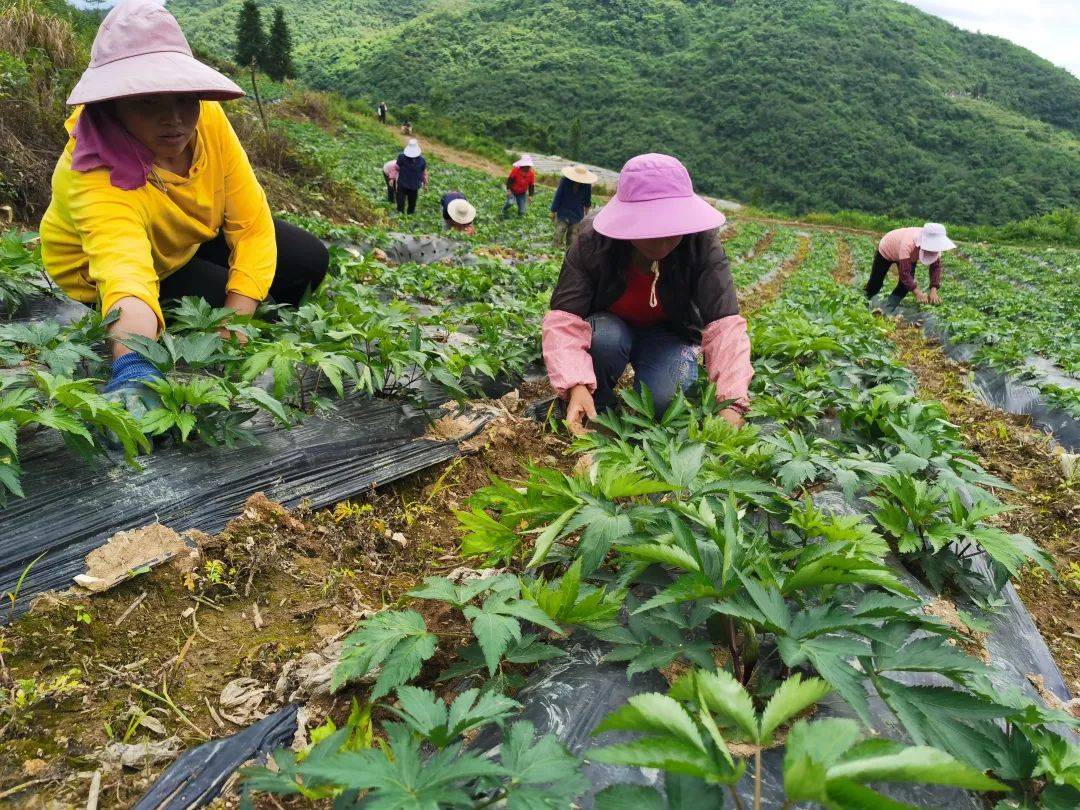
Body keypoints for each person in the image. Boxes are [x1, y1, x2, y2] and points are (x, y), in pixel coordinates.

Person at [39, 0, 329, 406]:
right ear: (112, 105)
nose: (173, 118)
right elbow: (126, 274)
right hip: (100, 268)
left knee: (307, 259)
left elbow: (251, 222)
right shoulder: (91, 170)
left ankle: (225, 299)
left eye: (182, 98)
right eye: (147, 101)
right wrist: (134, 364)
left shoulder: (206, 117)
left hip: (180, 239)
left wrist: (236, 320)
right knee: (212, 298)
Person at [542, 154, 751, 432]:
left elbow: (725, 325)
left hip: (668, 334)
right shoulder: (594, 242)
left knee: (664, 399)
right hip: (609, 327)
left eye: (671, 226)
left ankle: (639, 406)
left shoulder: (700, 243)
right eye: (650, 226)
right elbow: (564, 319)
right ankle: (597, 406)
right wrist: (575, 384)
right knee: (604, 339)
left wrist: (731, 404)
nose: (662, 239)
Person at [866, 223, 956, 310]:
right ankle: (864, 302)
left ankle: (887, 309)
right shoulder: (909, 243)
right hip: (887, 248)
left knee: (904, 286)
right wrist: (917, 293)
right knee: (876, 282)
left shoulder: (936, 246)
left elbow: (935, 267)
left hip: (909, 256)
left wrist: (933, 290)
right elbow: (904, 273)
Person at [551, 165, 596, 248]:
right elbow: (558, 196)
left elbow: (587, 200)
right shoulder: (565, 181)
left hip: (577, 214)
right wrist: (553, 211)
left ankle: (568, 256)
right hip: (563, 212)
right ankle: (553, 253)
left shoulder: (586, 185)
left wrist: (586, 215)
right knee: (558, 233)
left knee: (572, 238)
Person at [395, 138, 427, 215]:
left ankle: (409, 217)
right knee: (400, 203)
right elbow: (396, 167)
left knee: (412, 205)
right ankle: (400, 217)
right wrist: (393, 178)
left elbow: (424, 172)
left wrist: (425, 183)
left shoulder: (422, 160)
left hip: (414, 186)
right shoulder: (402, 156)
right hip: (402, 184)